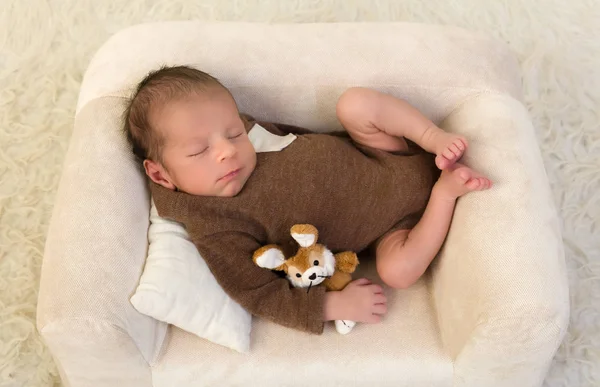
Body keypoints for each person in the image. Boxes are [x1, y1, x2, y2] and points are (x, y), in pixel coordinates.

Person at [124, 66, 491, 334]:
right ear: (160, 174)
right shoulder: (214, 225)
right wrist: (332, 306)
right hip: (390, 229)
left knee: (355, 103)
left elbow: (297, 135)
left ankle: (433, 138)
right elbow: (258, 294)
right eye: (200, 150)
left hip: (381, 153)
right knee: (399, 272)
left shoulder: (248, 133)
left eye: (233, 132)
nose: (227, 151)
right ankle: (445, 193)